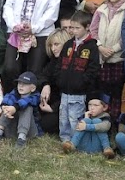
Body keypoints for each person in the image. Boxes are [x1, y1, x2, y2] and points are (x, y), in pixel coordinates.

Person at [1, 0, 61, 93]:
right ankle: (12, 99)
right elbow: (8, 4)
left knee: (34, 70)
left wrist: (34, 28)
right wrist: (14, 25)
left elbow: (53, 10)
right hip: (16, 33)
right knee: (10, 68)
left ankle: (31, 105)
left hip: (40, 34)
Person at [40, 10, 101, 143]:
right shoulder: (68, 44)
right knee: (64, 117)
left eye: (77, 28)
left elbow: (93, 70)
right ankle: (65, 139)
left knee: (75, 117)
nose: (73, 31)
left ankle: (76, 140)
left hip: (79, 92)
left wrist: (81, 82)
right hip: (65, 90)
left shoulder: (92, 47)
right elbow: (59, 65)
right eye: (71, 27)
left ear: (87, 27)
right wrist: (60, 79)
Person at [90, 0, 125, 121]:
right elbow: (93, 29)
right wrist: (100, 46)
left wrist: (114, 48)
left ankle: (117, 119)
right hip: (103, 56)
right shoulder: (102, 9)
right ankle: (104, 118)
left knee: (117, 89)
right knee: (104, 88)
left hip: (118, 56)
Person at [0, 71, 40, 149]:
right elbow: (7, 98)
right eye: (19, 83)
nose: (21, 86)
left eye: (24, 84)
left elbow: (25, 102)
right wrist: (5, 108)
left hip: (29, 132)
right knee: (8, 106)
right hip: (12, 130)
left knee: (27, 107)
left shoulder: (35, 96)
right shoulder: (15, 93)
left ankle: (21, 139)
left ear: (33, 88)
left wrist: (14, 108)